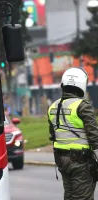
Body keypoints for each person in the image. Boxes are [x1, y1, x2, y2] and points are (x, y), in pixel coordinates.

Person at [47, 67, 98, 200]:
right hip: (81, 161)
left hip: (62, 160)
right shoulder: (83, 106)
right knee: (82, 197)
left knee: (69, 196)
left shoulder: (53, 106)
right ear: (82, 84)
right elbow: (94, 137)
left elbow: (53, 134)